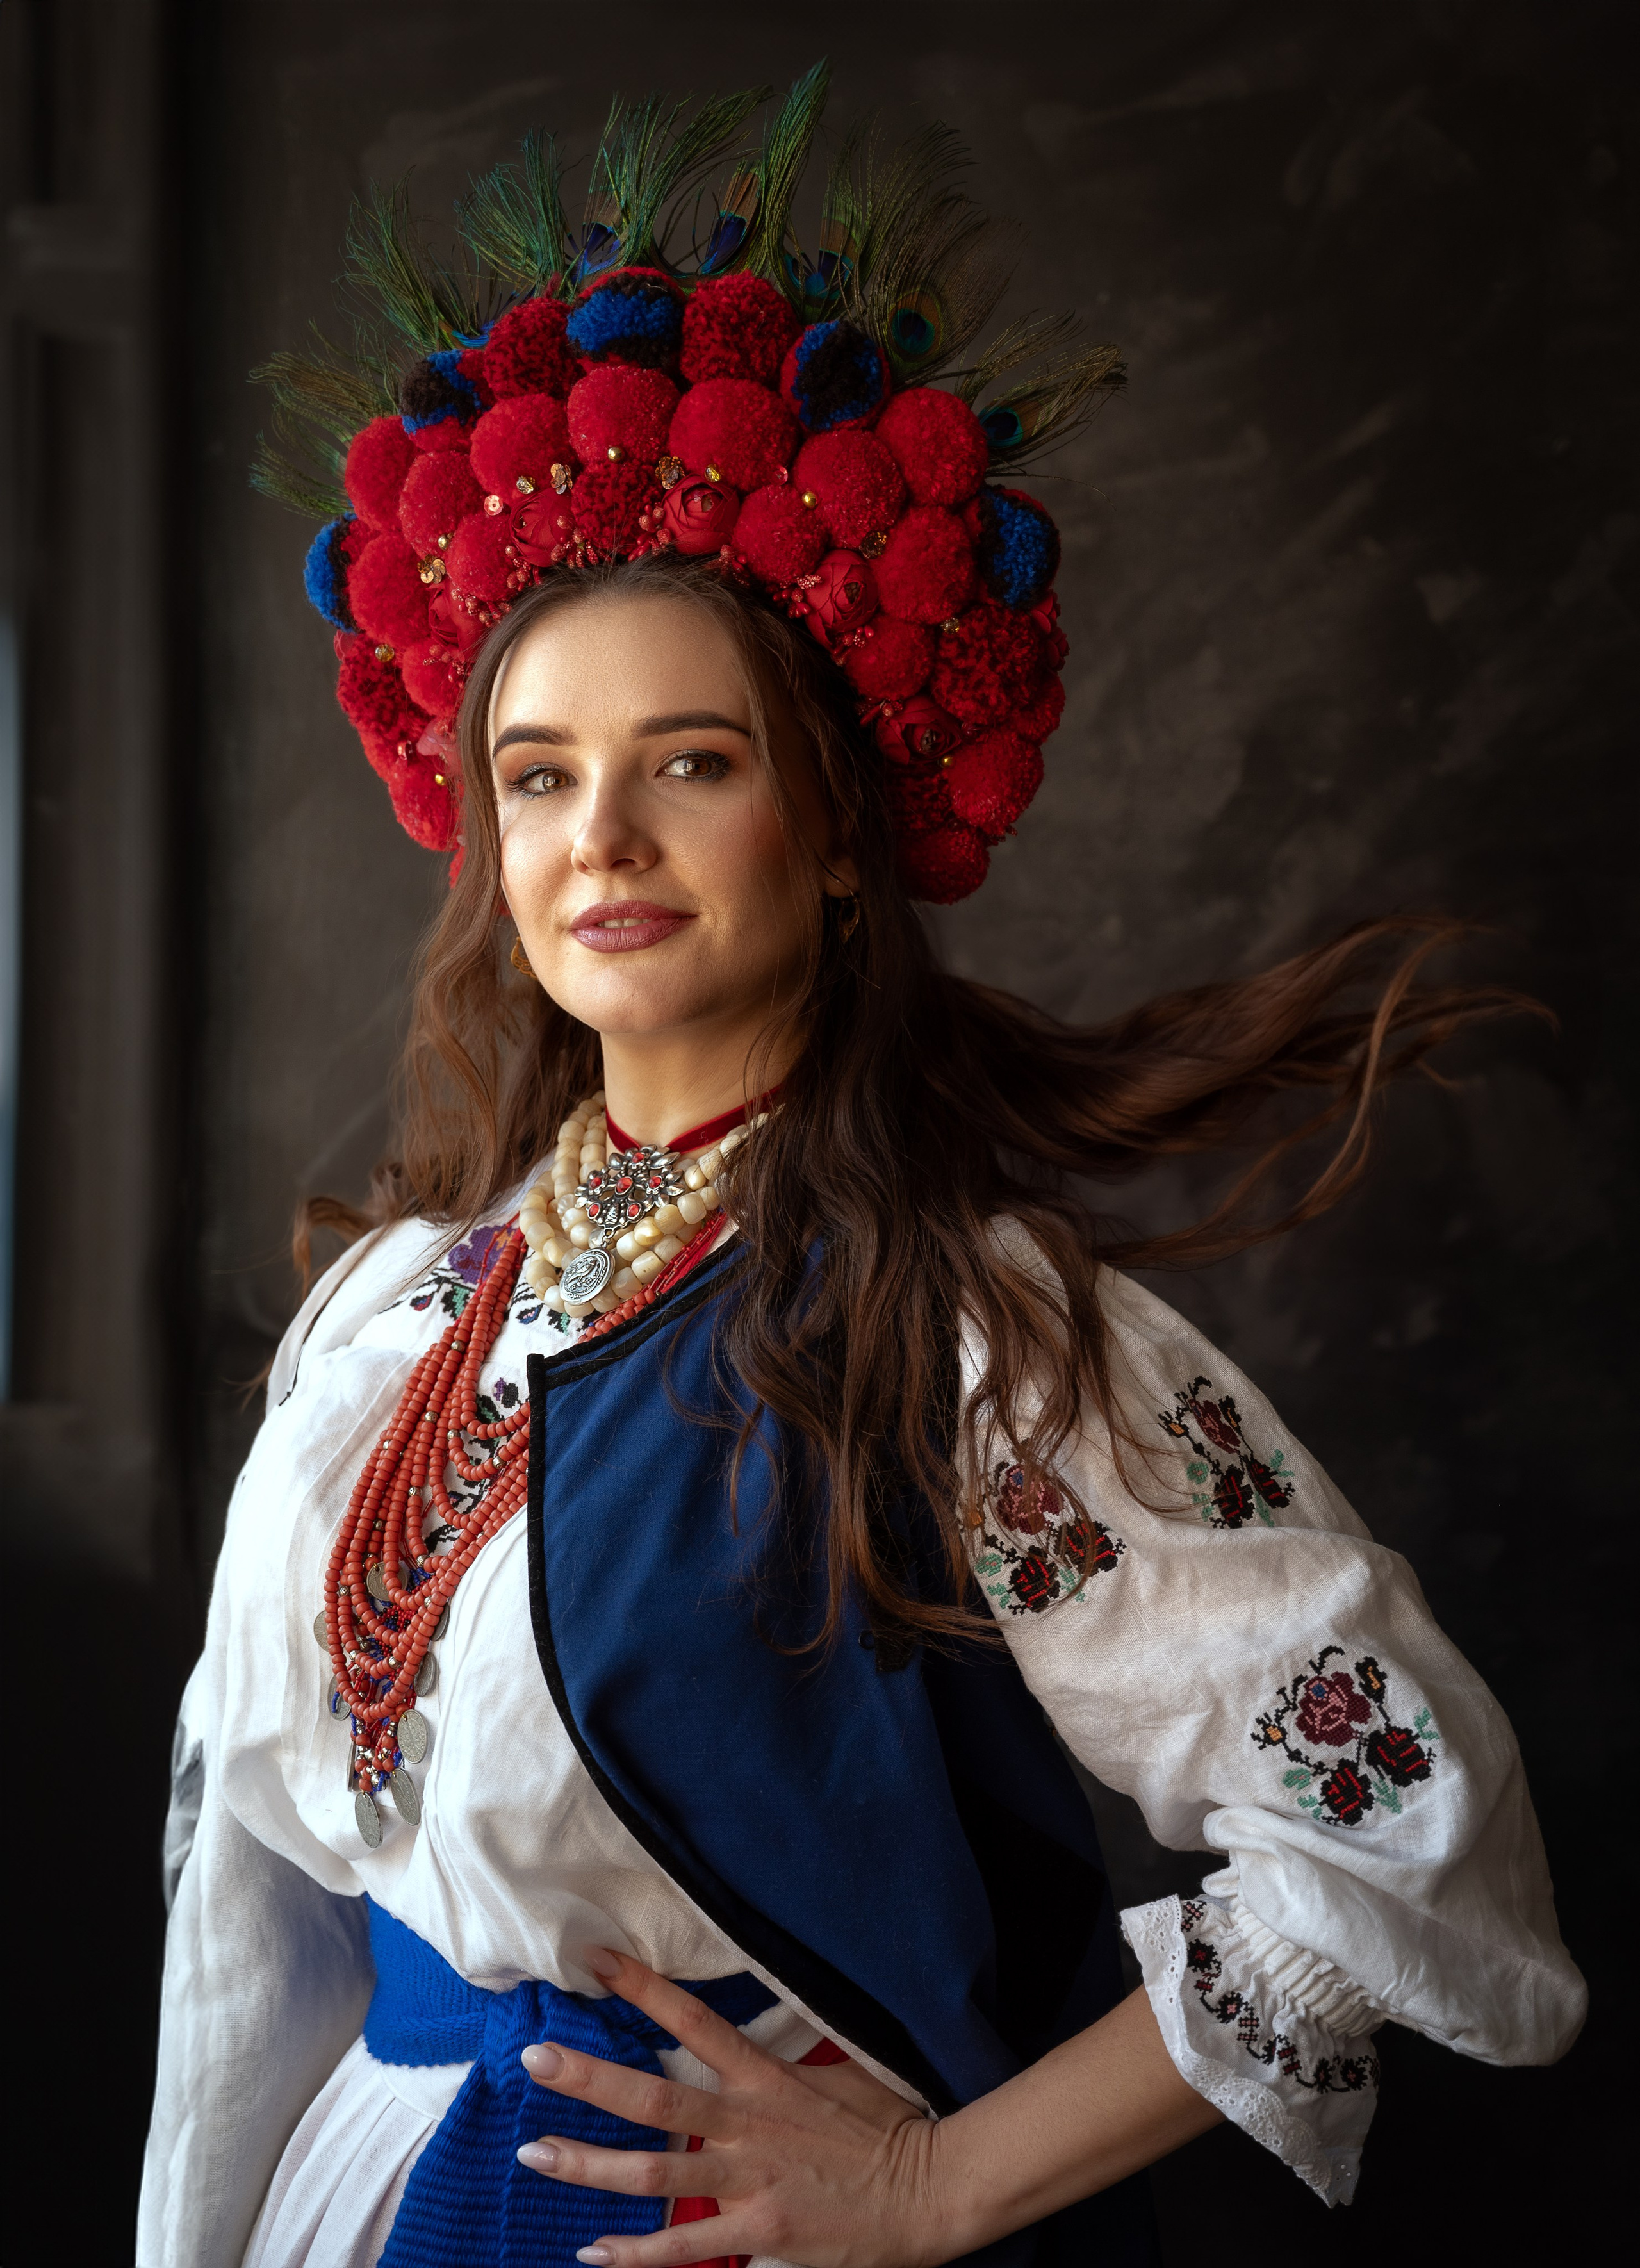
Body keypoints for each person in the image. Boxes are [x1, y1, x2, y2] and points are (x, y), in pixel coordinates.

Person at [139, 72, 1585, 2268]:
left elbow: (1406, 1842)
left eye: (688, 763)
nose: (598, 839)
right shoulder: (386, 1316)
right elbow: (244, 1939)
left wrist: (932, 2183)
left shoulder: (963, 1320)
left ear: (828, 840)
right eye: (540, 776)